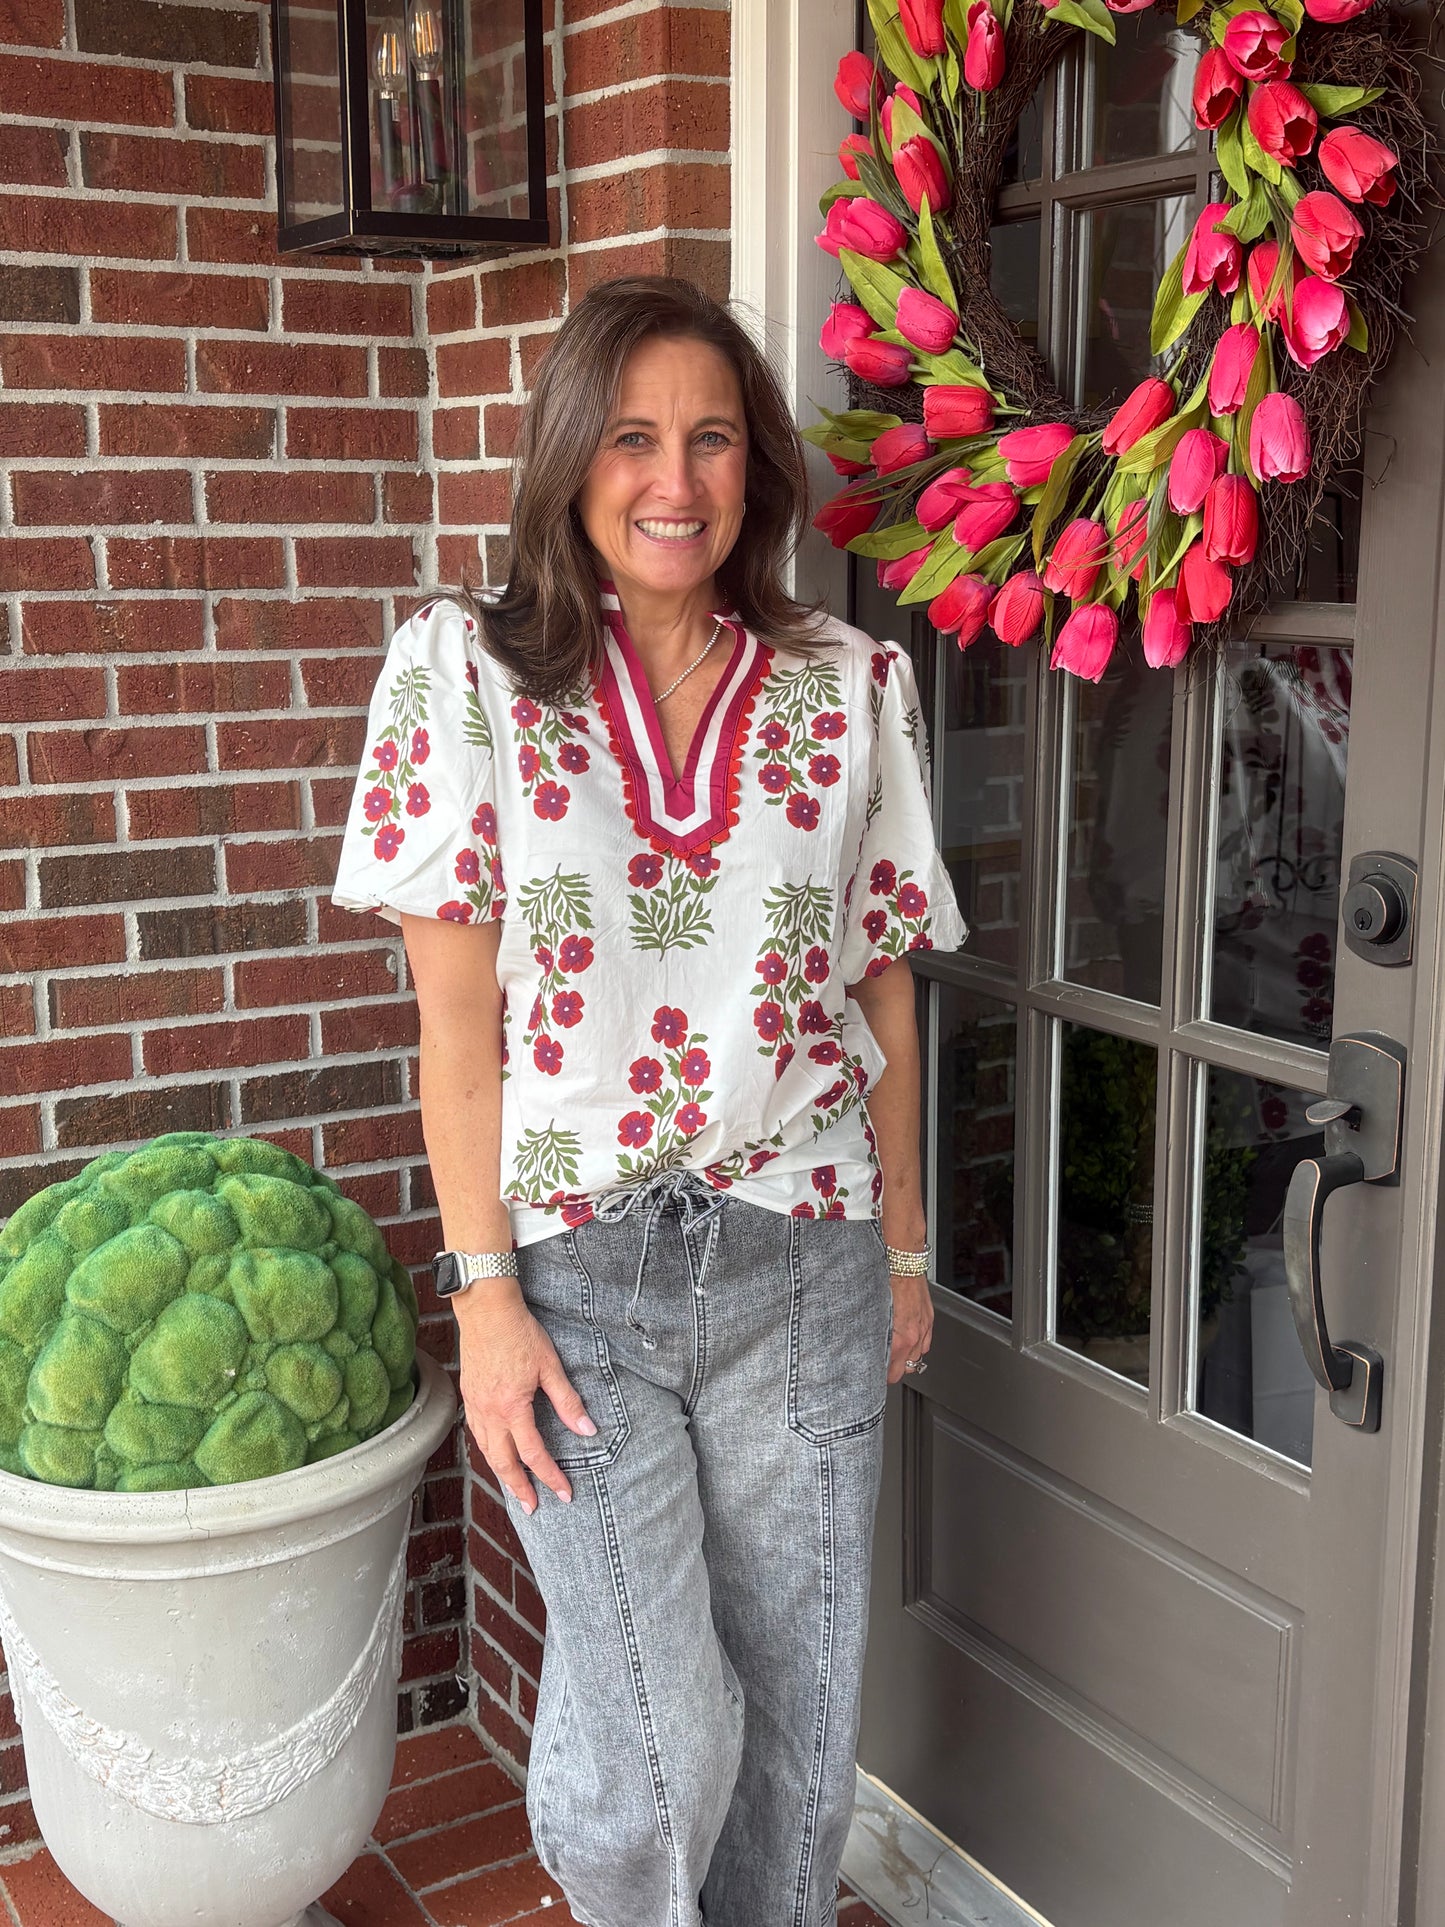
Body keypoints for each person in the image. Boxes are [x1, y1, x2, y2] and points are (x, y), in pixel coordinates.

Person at [333, 275, 965, 1927]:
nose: (673, 479)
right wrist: (483, 1300)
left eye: (710, 438)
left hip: (804, 1256)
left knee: (805, 1727)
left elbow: (882, 971)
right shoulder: (461, 676)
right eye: (631, 437)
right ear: (568, 457)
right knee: (651, 1743)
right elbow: (452, 1025)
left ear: (754, 469)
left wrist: (903, 1247)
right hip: (577, 1286)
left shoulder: (844, 685)